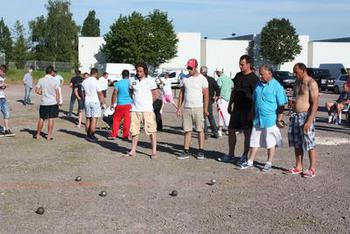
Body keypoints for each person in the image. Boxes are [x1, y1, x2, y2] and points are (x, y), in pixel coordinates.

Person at [240, 64, 287, 172]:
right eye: (259, 74)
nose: (260, 76)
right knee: (254, 141)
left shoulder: (277, 87)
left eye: (262, 74)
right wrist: (252, 112)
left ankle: (268, 163)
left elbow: (281, 105)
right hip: (258, 118)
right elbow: (254, 101)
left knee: (270, 142)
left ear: (269, 74)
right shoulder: (258, 85)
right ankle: (250, 161)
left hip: (270, 119)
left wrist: (279, 119)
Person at [221, 55, 259, 164]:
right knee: (231, 130)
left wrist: (252, 111)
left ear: (249, 64)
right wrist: (230, 104)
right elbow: (234, 91)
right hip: (236, 109)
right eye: (240, 63)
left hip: (247, 110)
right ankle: (231, 154)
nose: (240, 66)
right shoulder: (238, 76)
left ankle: (244, 156)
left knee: (247, 134)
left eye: (242, 64)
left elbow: (256, 97)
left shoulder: (254, 79)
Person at [286, 63, 319, 178]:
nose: (295, 74)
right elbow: (296, 97)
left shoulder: (311, 83)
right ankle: (298, 167)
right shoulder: (297, 82)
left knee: (309, 142)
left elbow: (315, 104)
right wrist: (292, 103)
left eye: (296, 72)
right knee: (297, 143)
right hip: (295, 115)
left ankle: (312, 168)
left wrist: (309, 120)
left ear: (303, 70)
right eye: (294, 72)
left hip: (306, 115)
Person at [176, 59, 209, 160]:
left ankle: (201, 150)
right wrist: (179, 108)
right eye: (188, 68)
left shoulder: (202, 79)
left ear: (195, 67)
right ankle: (186, 151)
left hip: (198, 107)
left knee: (200, 130)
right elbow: (181, 94)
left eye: (190, 68)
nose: (189, 70)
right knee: (187, 130)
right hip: (187, 108)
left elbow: (206, 95)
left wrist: (205, 109)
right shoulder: (184, 78)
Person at [126, 62, 159, 159]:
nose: (139, 73)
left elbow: (155, 94)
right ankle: (133, 150)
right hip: (135, 109)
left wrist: (149, 104)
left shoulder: (150, 80)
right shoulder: (132, 80)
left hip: (147, 110)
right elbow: (130, 91)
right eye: (137, 71)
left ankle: (154, 152)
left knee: (151, 131)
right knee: (134, 131)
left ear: (145, 71)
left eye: (140, 71)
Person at [34, 65, 60, 140]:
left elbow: (36, 90)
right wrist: (58, 102)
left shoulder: (41, 80)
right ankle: (49, 135)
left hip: (44, 102)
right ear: (52, 72)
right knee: (51, 118)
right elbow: (57, 93)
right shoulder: (55, 81)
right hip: (52, 102)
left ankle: (38, 134)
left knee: (41, 118)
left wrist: (42, 93)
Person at [81, 68, 105, 141]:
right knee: (94, 119)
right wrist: (102, 102)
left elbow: (82, 93)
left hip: (87, 100)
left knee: (88, 118)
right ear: (96, 73)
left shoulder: (84, 82)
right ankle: (92, 135)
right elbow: (100, 93)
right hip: (95, 101)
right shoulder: (96, 82)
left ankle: (88, 134)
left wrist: (84, 99)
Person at [108, 69, 132, 140]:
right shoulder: (130, 83)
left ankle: (114, 134)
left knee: (116, 119)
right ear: (129, 75)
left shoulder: (118, 83)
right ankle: (125, 135)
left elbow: (114, 94)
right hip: (129, 104)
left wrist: (112, 103)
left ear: (122, 75)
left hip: (120, 104)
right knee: (127, 120)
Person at [200, 66, 219, 139]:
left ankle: (205, 134)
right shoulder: (211, 79)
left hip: (202, 100)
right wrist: (216, 96)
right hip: (210, 100)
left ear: (201, 72)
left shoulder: (200, 79)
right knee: (210, 116)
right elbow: (217, 89)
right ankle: (215, 132)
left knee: (203, 117)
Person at [216, 67, 233, 137]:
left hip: (222, 98)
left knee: (221, 113)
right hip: (228, 99)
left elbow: (218, 88)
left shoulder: (220, 79)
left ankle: (220, 130)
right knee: (227, 114)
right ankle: (228, 129)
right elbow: (232, 86)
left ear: (217, 72)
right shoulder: (228, 78)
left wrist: (218, 96)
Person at [0, 65, 15, 137]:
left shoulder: (3, 78)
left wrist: (4, 86)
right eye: (3, 71)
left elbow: (2, 88)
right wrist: (2, 85)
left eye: (4, 72)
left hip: (3, 98)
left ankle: (7, 130)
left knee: (7, 114)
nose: (4, 73)